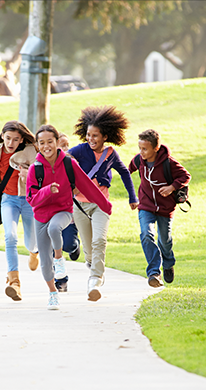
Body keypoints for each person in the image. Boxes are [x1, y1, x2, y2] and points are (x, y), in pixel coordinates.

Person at [26, 124, 112, 310]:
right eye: (42, 143)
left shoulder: (68, 163)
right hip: (40, 215)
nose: (46, 146)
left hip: (63, 211)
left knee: (54, 228)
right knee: (45, 263)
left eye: (50, 141)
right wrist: (47, 190)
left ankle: (59, 259)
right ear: (37, 145)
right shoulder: (35, 169)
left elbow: (88, 186)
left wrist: (105, 205)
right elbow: (31, 199)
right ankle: (52, 293)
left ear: (57, 142)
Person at [68, 105, 137, 301]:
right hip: (79, 205)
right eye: (88, 135)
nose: (91, 139)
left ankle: (95, 280)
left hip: (100, 204)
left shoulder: (110, 154)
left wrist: (132, 197)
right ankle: (92, 264)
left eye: (95, 135)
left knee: (100, 240)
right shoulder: (80, 150)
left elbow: (124, 172)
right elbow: (64, 160)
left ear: (105, 136)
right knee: (89, 250)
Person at [128, 128, 191, 287]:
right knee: (146, 234)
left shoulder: (169, 162)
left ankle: (168, 263)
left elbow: (185, 176)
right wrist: (132, 196)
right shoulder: (138, 160)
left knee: (165, 240)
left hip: (165, 208)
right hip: (146, 206)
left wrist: (171, 187)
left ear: (156, 148)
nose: (141, 152)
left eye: (145, 149)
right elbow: (126, 172)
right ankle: (154, 273)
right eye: (140, 148)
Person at [0, 120, 38, 301]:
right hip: (8, 200)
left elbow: (40, 173)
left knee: (31, 240)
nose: (11, 143)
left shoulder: (30, 151)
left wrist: (28, 173)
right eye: (8, 138)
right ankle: (14, 282)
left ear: (21, 139)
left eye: (15, 139)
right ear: (2, 136)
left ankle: (34, 251)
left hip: (28, 200)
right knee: (10, 236)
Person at [54, 132, 81, 293]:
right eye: (62, 145)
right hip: (50, 216)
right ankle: (61, 280)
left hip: (69, 215)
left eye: (67, 145)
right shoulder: (43, 163)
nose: (66, 148)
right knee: (53, 250)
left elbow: (79, 187)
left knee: (69, 244)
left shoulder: (71, 163)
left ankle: (75, 247)